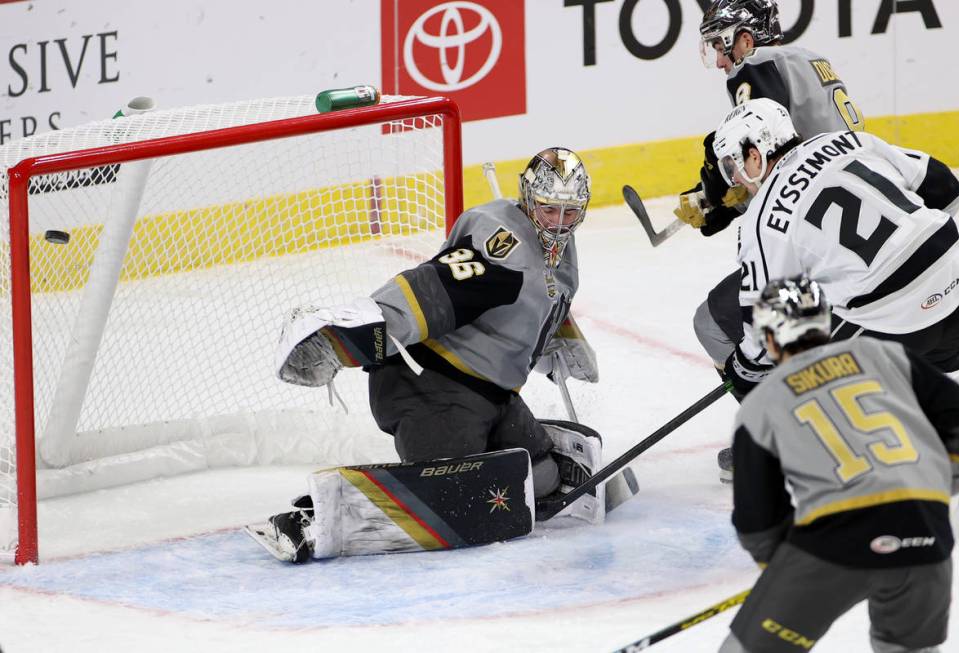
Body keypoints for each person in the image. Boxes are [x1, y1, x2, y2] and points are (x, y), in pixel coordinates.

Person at [250, 147, 608, 563]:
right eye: (550, 210)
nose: (560, 223)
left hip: (490, 393)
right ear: (529, 199)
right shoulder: (503, 246)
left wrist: (559, 336)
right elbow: (434, 291)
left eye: (571, 212)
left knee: (544, 477)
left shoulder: (561, 248)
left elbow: (538, 295)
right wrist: (353, 334)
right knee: (455, 502)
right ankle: (313, 519)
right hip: (430, 386)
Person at [713, 97, 959, 498]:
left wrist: (742, 368)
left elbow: (764, 323)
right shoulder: (848, 142)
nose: (737, 179)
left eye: (735, 165)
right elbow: (946, 187)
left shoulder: (762, 218)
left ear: (756, 153)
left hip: (904, 322)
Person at [721, 275, 959, 652]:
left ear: (770, 340)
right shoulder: (887, 355)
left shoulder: (761, 405)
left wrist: (785, 571)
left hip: (831, 548)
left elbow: (756, 525)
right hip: (925, 537)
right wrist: (924, 494)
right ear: (826, 324)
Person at [674, 0, 877, 481]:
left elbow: (771, 166)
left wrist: (714, 197)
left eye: (723, 44)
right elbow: (797, 159)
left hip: (821, 248)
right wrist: (720, 201)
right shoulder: (810, 61)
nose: (721, 60)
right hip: (872, 229)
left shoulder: (758, 68)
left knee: (717, 323)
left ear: (747, 38)